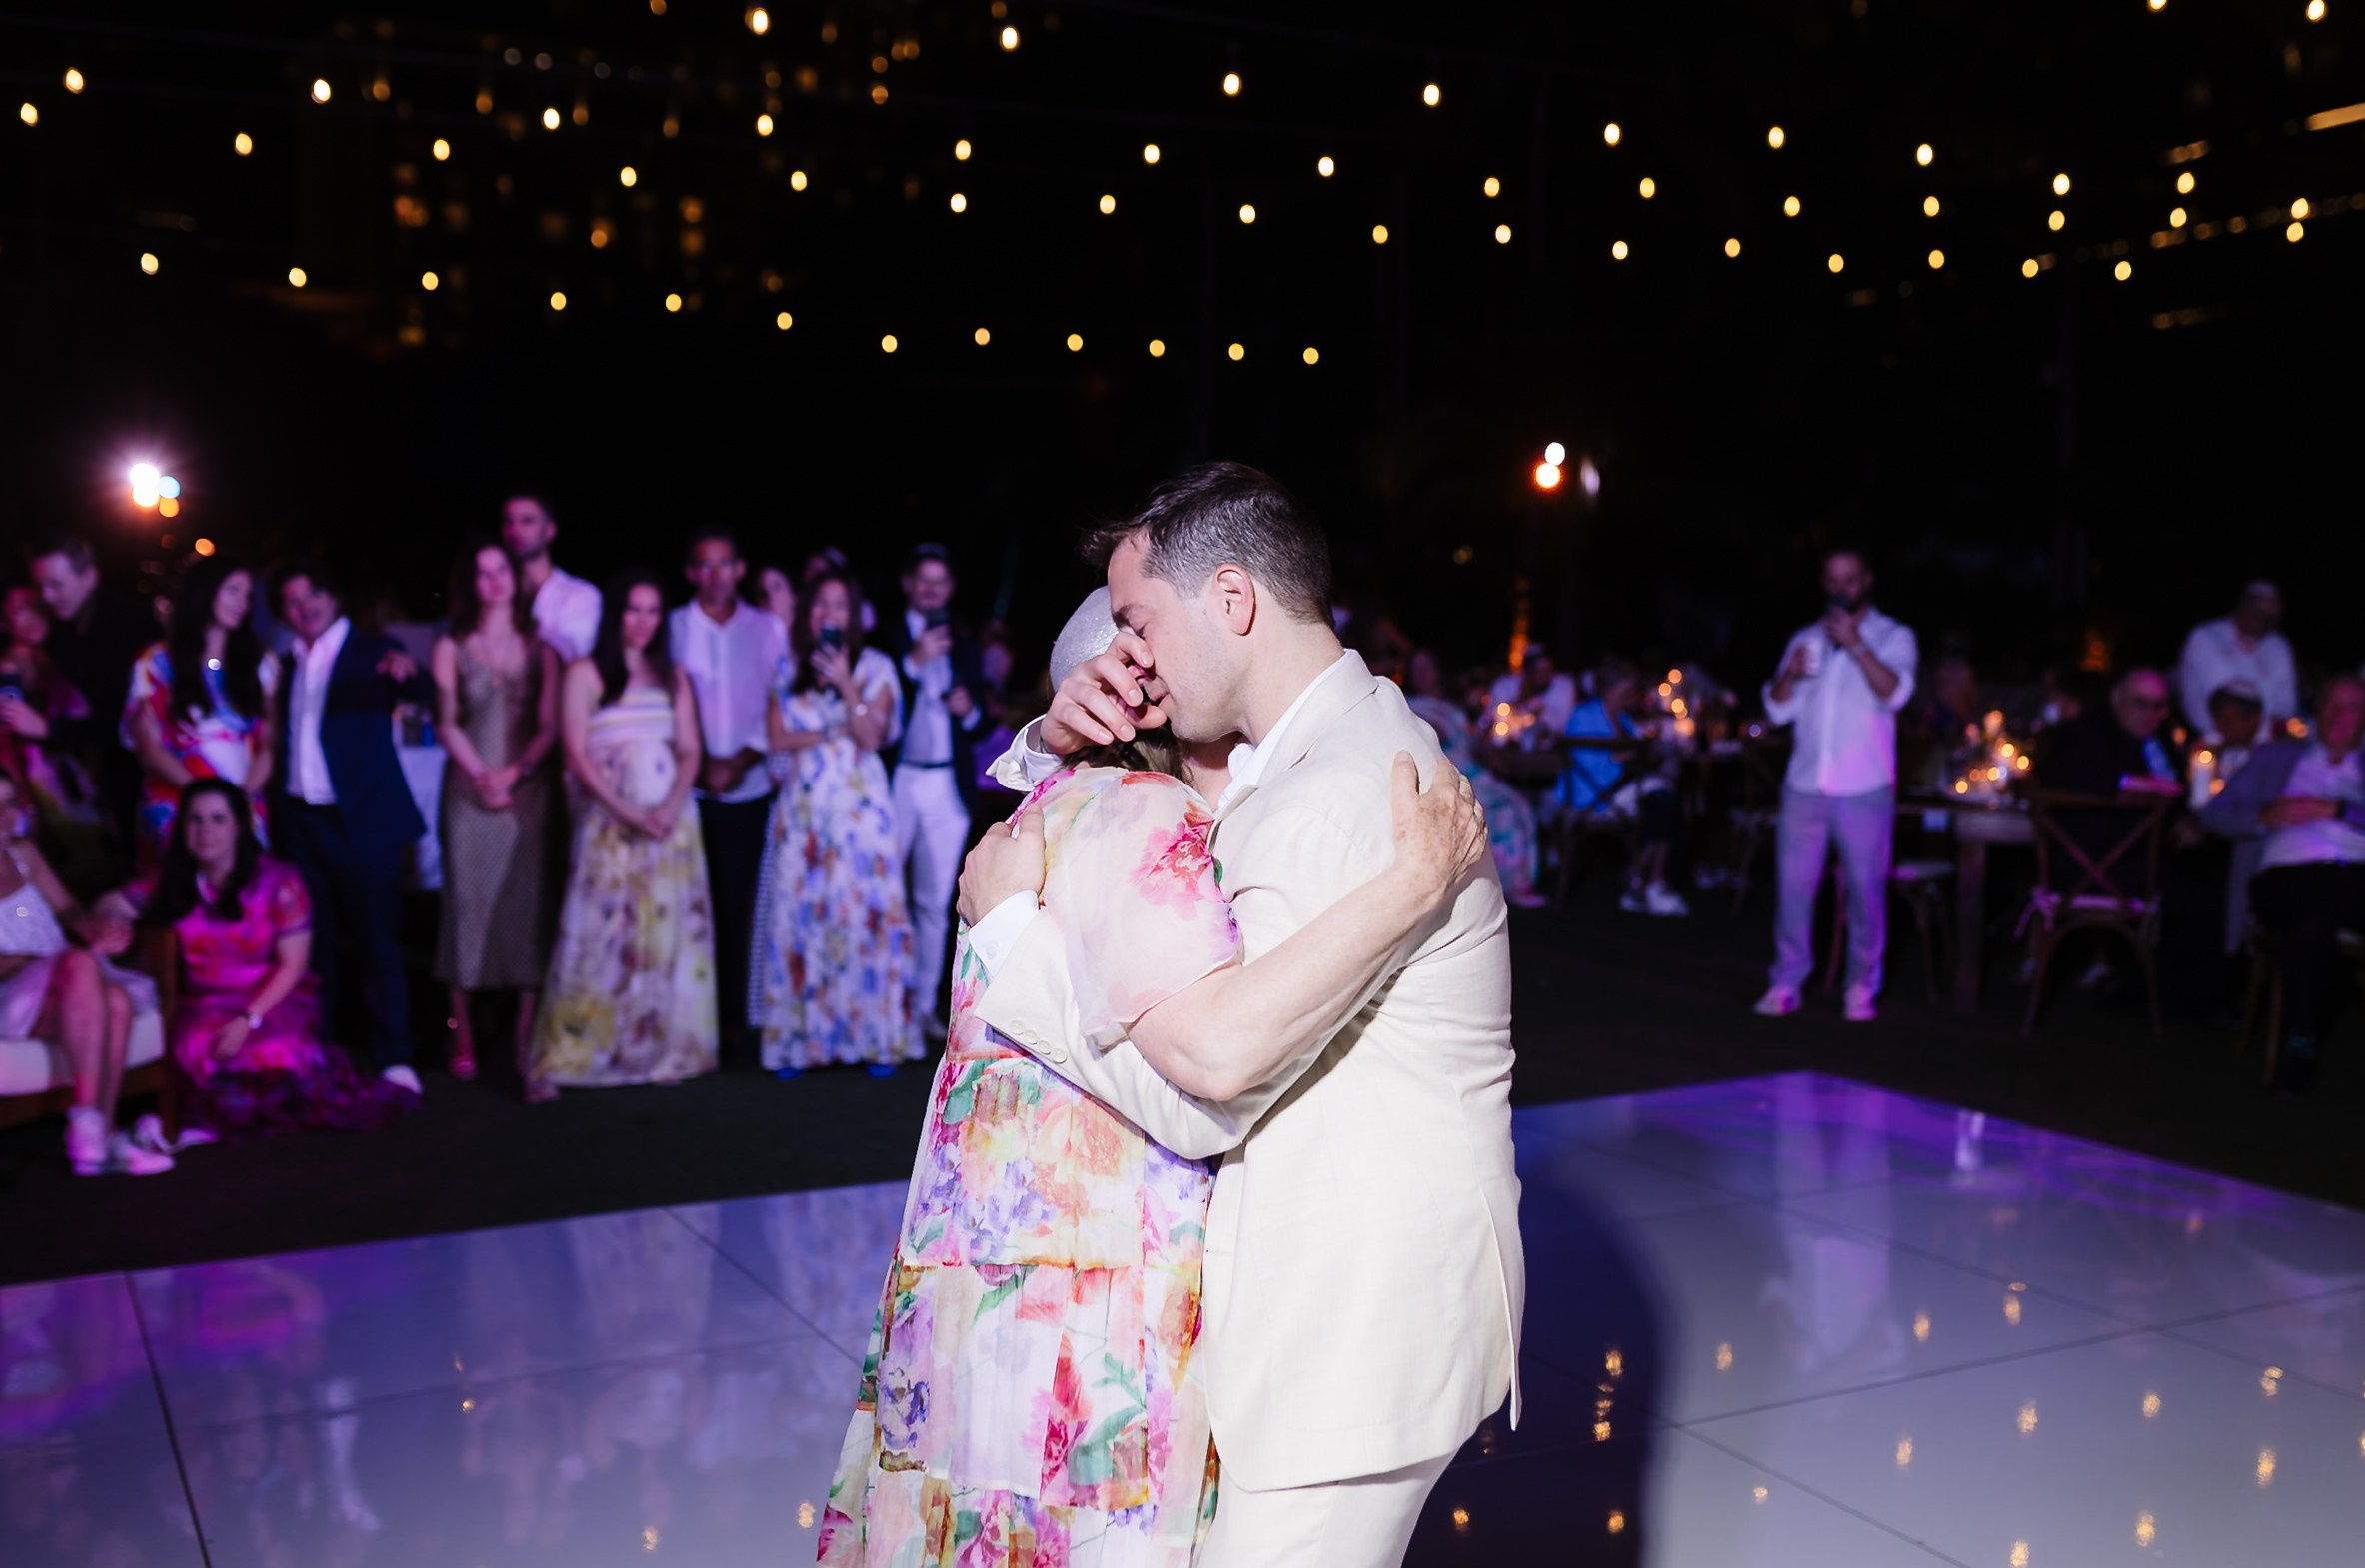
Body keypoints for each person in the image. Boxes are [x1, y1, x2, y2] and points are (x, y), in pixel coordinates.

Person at [819, 591, 1487, 1566]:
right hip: (1088, 1316)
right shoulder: (1153, 825)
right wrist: (1410, 889)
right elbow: (1202, 1086)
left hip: (971, 1291)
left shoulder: (1034, 812)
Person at [964, 462, 1520, 1567]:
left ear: (1231, 599)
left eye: (1136, 622)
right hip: (1349, 1311)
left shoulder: (1336, 796)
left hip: (1352, 1334)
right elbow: (1178, 804)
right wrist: (1057, 740)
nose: (1127, 656)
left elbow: (1207, 1084)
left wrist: (1011, 944)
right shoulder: (1327, 738)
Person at [116, 778, 416, 1136]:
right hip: (205, 1003)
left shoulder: (279, 881)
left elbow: (294, 964)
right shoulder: (172, 881)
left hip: (271, 1000)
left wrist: (248, 1019)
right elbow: (114, 904)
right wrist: (106, 922)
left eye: (217, 819)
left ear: (239, 826)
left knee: (276, 1055)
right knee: (197, 1051)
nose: (205, 831)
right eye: (195, 820)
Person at [531, 571, 718, 1093]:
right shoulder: (586, 673)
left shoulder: (671, 675)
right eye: (633, 609)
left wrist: (669, 805)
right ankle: (580, 1047)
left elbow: (689, 749)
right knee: (600, 934)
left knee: (664, 936)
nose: (642, 621)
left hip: (669, 827)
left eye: (652, 610)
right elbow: (575, 753)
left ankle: (660, 1046)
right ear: (616, 615)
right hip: (611, 825)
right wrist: (628, 812)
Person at [268, 558, 430, 1094]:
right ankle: (318, 1048)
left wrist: (411, 676)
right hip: (300, 819)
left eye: (313, 595)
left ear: (333, 597)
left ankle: (394, 1056)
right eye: (292, 601)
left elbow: (420, 690)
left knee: (377, 940)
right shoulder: (284, 662)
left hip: (360, 819)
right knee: (312, 946)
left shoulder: (373, 651)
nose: (305, 608)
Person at [754, 569, 923, 1076]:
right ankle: (798, 1043)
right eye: (820, 604)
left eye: (839, 604)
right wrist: (837, 726)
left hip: (858, 812)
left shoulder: (875, 666)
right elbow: (777, 739)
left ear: (853, 615)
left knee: (863, 912)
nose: (829, 613)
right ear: (808, 612)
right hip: (803, 809)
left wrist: (848, 687)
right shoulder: (786, 665)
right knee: (799, 913)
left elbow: (871, 735)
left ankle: (874, 1037)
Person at [1754, 548, 1919, 1024]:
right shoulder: (1805, 637)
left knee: (1867, 892)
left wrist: (1857, 645)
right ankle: (1787, 981)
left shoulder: (1894, 636)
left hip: (1863, 786)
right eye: (1832, 579)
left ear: (1867, 579)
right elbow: (1779, 709)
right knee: (1793, 891)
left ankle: (1861, 987)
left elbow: (1896, 692)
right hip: (1804, 784)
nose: (1840, 587)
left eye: (1849, 579)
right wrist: (1786, 675)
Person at [431, 540, 563, 1083]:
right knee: (466, 904)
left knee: (527, 905)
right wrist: (483, 774)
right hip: (468, 789)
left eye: (500, 570)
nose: (493, 582)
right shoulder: (450, 645)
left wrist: (515, 773)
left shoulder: (542, 649)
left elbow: (551, 725)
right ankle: (459, 1028)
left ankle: (524, 1030)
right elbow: (446, 720)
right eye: (481, 573)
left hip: (526, 790)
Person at [2202, 675, 2365, 1093]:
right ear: (2317, 708)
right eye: (2331, 703)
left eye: (2351, 707)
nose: (2338, 716)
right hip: (2285, 875)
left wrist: (2339, 810)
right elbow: (2215, 814)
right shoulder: (2277, 758)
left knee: (2313, 923)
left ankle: (2299, 1044)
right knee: (2310, 905)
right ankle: (2300, 1042)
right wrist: (2260, 817)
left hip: (2354, 878)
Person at [0, 771, 169, 1175]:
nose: (3, 815)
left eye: (8, 803)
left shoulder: (24, 855)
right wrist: (31, 962)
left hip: (65, 983)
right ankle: (97, 1134)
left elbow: (68, 911)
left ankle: (95, 1140)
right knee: (78, 964)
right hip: (12, 994)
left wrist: (96, 929)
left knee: (115, 998)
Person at [668, 528, 786, 1045]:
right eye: (704, 565)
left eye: (724, 564)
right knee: (695, 904)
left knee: (743, 904)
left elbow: (778, 698)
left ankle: (740, 1020)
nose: (715, 575)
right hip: (689, 788)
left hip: (751, 782)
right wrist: (699, 765)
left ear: (740, 569)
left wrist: (740, 758)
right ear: (692, 572)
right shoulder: (674, 626)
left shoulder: (767, 628)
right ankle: (699, 1019)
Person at [877, 544, 990, 1031]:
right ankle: (880, 1003)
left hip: (947, 782)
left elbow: (983, 717)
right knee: (882, 894)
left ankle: (922, 1009)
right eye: (923, 580)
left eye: (939, 582)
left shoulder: (961, 641)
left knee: (932, 903)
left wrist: (971, 711)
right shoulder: (884, 637)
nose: (931, 589)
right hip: (897, 778)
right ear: (907, 584)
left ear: (949, 589)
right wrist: (910, 663)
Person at [122, 557, 279, 870]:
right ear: (205, 591)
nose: (242, 603)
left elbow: (269, 745)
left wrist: (239, 803)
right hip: (176, 805)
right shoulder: (156, 661)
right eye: (232, 590)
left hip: (242, 805)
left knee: (244, 904)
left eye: (247, 595)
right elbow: (148, 748)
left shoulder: (260, 661)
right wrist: (206, 802)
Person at [11, 533, 154, 874]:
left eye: (56, 585)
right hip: (97, 779)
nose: (47, 596)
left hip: (140, 773)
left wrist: (47, 727)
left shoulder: (124, 626)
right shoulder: (62, 629)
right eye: (40, 587)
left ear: (89, 576)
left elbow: (122, 721)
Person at [1406, 647, 1543, 906]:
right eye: (1417, 669)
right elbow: (1433, 736)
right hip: (1450, 773)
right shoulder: (1409, 705)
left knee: (1521, 805)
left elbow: (1471, 739)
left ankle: (1520, 882)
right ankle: (1498, 886)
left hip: (1475, 768)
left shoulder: (1450, 704)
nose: (1423, 674)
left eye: (1427, 667)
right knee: (1503, 810)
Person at [1559, 656, 1688, 916]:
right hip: (1593, 795)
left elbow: (1636, 750)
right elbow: (1585, 760)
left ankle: (1644, 880)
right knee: (1663, 799)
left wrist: (1647, 753)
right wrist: (1625, 756)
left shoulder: (1625, 719)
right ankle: (1649, 881)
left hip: (1623, 790)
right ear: (1611, 689)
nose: (1630, 695)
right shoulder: (1585, 715)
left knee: (1663, 802)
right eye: (1626, 689)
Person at [0, 585, 110, 890]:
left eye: (37, 607)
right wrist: (20, 801)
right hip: (44, 787)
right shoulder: (10, 669)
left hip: (80, 775)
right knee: (81, 869)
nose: (32, 618)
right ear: (7, 619)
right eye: (20, 610)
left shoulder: (56, 656)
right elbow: (7, 740)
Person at [2177, 581, 2297, 732]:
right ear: (2243, 606)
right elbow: (2191, 695)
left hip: (2264, 741)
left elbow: (2286, 703)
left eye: (2269, 618)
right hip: (2211, 737)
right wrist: (2217, 733)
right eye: (2257, 612)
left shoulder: (2279, 647)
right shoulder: (2205, 637)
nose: (2261, 621)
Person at [501, 493, 604, 664]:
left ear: (549, 530)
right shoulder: (492, 591)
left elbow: (570, 654)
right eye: (508, 521)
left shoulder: (580, 594)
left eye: (526, 520)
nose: (515, 530)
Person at [1484, 643, 1577, 738]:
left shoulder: (1564, 686)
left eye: (1546, 669)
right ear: (1525, 670)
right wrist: (1519, 701)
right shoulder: (1504, 685)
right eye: (1536, 669)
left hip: (1551, 749)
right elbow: (1491, 721)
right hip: (1509, 747)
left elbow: (1564, 726)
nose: (1541, 675)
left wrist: (1541, 711)